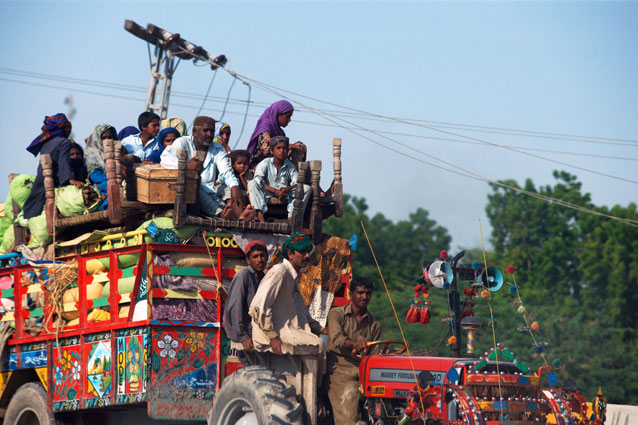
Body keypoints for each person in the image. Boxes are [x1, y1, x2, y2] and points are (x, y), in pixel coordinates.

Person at [160, 116, 252, 220]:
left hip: (212, 190)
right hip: (192, 190)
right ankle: (221, 214)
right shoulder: (182, 142)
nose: (209, 134)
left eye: (212, 131)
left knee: (229, 186)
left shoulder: (218, 148)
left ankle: (241, 216)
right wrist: (186, 165)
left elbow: (226, 170)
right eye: (205, 130)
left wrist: (234, 187)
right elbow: (165, 159)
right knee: (196, 185)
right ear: (195, 131)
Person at [248, 232, 324, 356]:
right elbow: (258, 307)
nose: (307, 256)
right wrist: (272, 337)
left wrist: (319, 328)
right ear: (290, 254)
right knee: (319, 344)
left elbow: (300, 309)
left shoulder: (293, 275)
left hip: (287, 331)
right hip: (271, 334)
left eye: (308, 252)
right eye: (303, 252)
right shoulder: (280, 271)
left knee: (322, 341)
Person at [327, 277, 381, 425]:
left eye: (368, 293)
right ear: (351, 294)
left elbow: (374, 356)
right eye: (360, 293)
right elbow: (336, 339)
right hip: (340, 371)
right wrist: (355, 344)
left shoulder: (374, 324)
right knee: (349, 409)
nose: (364, 297)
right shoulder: (336, 314)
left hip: (364, 373)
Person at [23, 113, 75, 219]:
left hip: (41, 178)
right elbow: (63, 162)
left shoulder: (46, 143)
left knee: (36, 202)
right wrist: (69, 179)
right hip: (52, 180)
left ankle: (28, 218)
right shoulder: (65, 142)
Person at [247, 136, 311, 223]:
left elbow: (296, 183)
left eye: (284, 148)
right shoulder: (265, 163)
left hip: (284, 193)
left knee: (306, 188)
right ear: (272, 151)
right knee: (252, 184)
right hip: (267, 192)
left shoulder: (290, 166)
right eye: (278, 148)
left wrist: (286, 189)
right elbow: (258, 180)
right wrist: (275, 191)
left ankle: (293, 218)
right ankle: (260, 216)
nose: (281, 151)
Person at [223, 240, 268, 362]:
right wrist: (243, 337)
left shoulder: (264, 278)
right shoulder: (243, 276)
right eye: (255, 257)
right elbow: (235, 307)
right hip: (246, 335)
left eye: (262, 256)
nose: (259, 260)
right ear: (248, 260)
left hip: (257, 334)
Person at [246, 100, 294, 169]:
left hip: (275, 165)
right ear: (278, 114)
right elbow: (268, 150)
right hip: (259, 167)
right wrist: (289, 147)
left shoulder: (280, 132)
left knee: (300, 146)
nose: (289, 120)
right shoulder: (264, 129)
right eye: (287, 116)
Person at [85, 124, 118, 209]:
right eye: (104, 138)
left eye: (110, 137)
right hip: (101, 185)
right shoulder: (92, 154)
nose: (107, 140)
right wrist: (115, 176)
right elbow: (95, 176)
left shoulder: (118, 150)